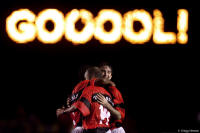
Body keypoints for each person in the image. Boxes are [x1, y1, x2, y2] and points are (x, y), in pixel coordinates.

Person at [56, 67, 121, 133]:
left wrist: (63, 111)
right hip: (107, 130)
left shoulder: (88, 88)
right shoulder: (109, 94)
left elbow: (79, 107)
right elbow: (118, 116)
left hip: (92, 129)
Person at [99, 63, 126, 133]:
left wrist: (107, 105)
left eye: (108, 72)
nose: (105, 74)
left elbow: (119, 116)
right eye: (103, 71)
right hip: (99, 129)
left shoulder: (114, 91)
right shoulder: (91, 90)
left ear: (110, 76)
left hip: (115, 129)